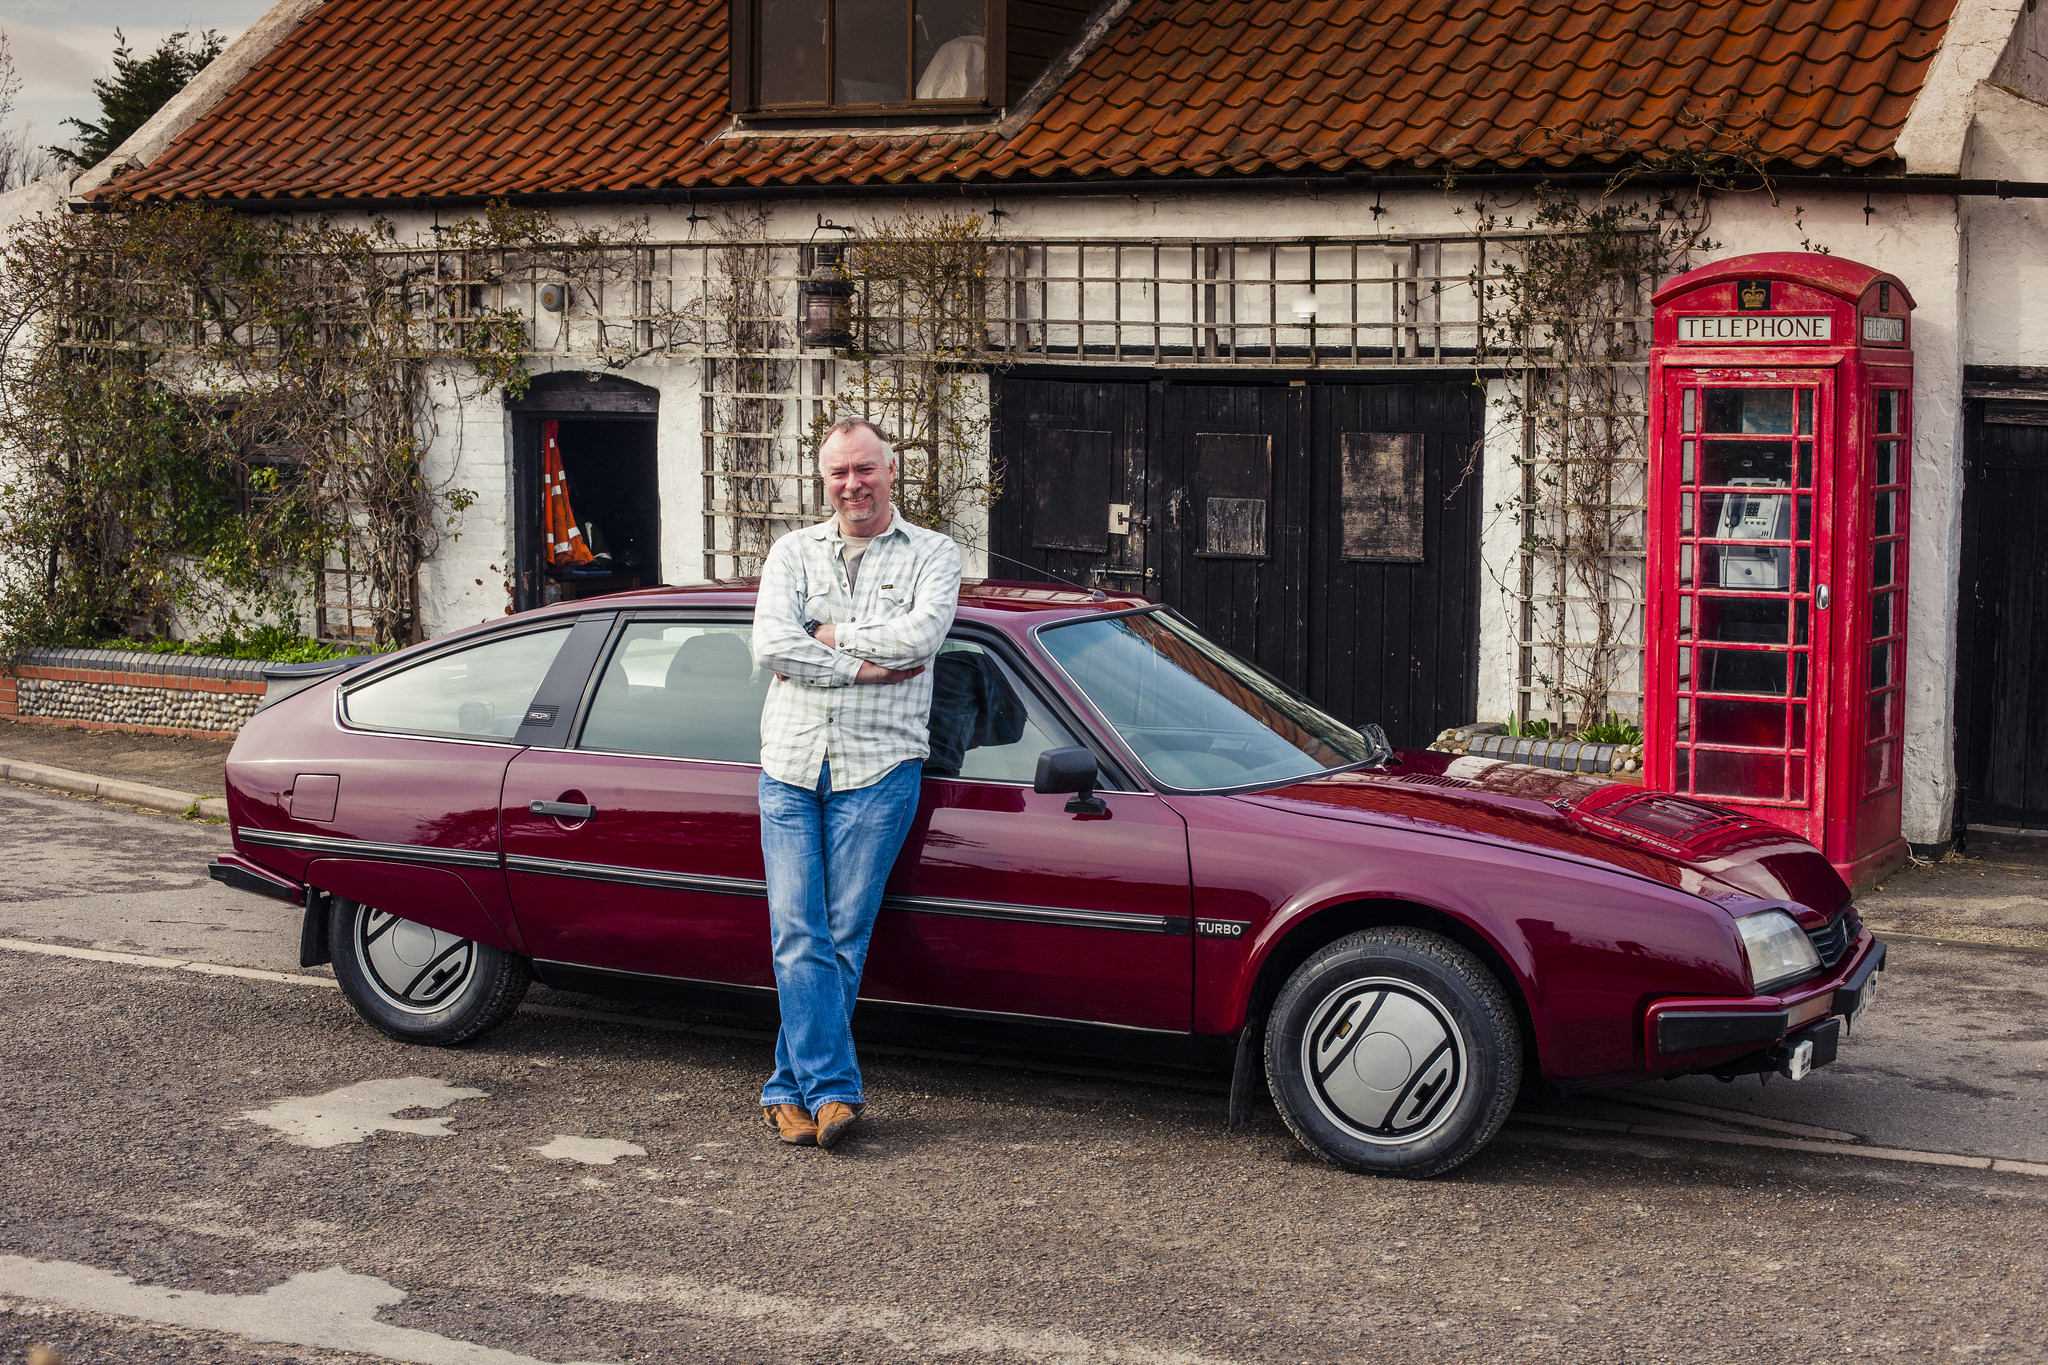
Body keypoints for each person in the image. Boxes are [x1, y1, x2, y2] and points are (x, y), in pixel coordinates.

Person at [750, 417, 963, 1149]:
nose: (852, 485)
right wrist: (863, 661)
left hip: (879, 767)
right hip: (789, 764)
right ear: (824, 479)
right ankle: (833, 1090)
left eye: (865, 469)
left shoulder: (935, 554)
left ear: (890, 471)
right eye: (839, 473)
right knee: (793, 932)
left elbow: (922, 637)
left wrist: (828, 636)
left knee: (841, 934)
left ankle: (788, 1086)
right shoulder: (791, 551)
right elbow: (769, 642)